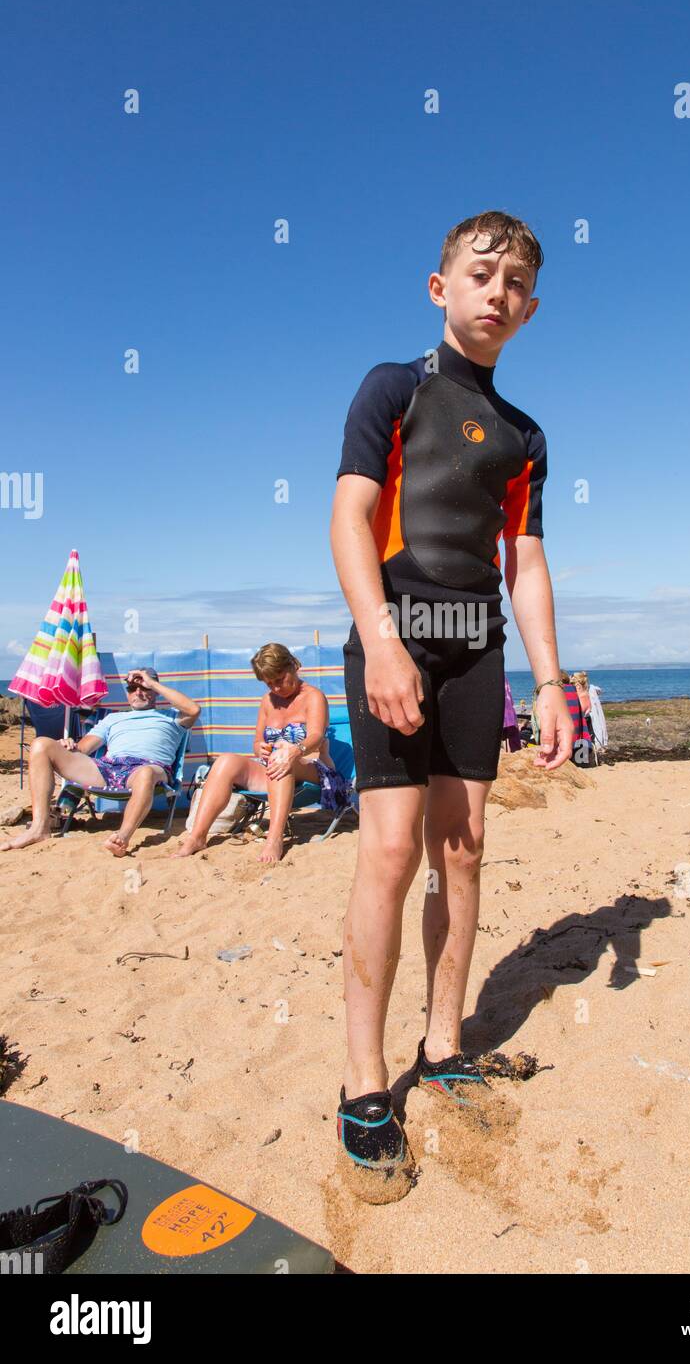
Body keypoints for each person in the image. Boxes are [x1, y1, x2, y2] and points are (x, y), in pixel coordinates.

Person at [330, 210, 573, 1192]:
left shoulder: (523, 436)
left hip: (477, 655)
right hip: (392, 637)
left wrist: (551, 681)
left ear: (530, 309)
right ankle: (360, 1079)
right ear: (440, 288)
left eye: (516, 283)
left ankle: (442, 1043)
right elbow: (349, 516)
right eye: (481, 273)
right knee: (389, 850)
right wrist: (382, 640)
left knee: (463, 848)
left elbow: (526, 562)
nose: (496, 293)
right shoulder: (393, 388)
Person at [174, 643, 351, 865]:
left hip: (314, 767)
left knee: (280, 757)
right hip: (275, 768)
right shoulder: (268, 701)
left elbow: (315, 735)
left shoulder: (313, 696)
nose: (276, 689)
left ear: (293, 666)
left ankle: (274, 839)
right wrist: (260, 748)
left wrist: (294, 750)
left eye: (279, 680)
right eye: (269, 684)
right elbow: (257, 742)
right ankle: (197, 836)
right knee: (225, 761)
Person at [1, 669, 200, 857]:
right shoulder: (112, 718)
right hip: (108, 768)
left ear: (155, 690)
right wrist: (69, 745)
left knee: (146, 773)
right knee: (41, 744)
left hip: (146, 768)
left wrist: (152, 683)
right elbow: (83, 749)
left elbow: (194, 709)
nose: (138, 692)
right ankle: (39, 828)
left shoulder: (172, 716)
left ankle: (121, 837)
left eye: (144, 688)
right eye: (132, 688)